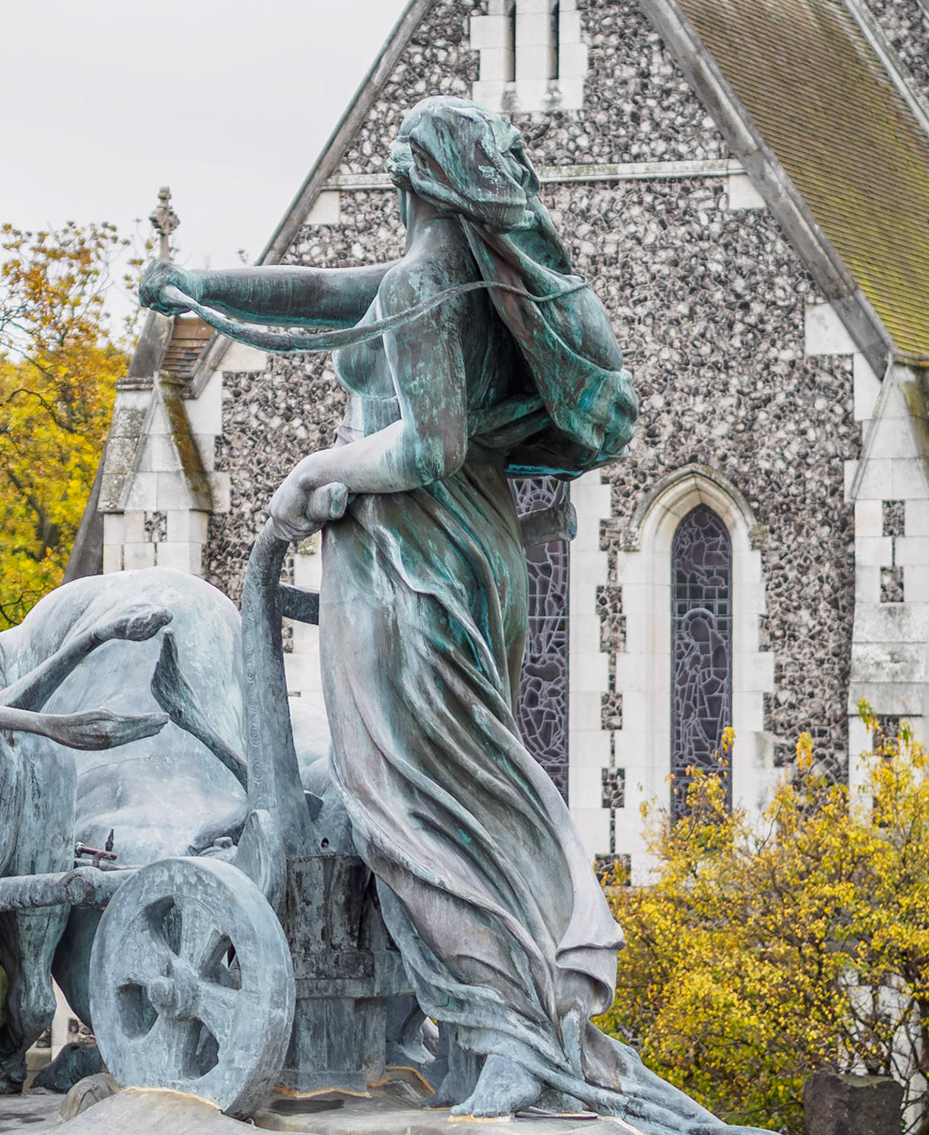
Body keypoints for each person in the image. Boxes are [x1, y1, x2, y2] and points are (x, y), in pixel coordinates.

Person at [140, 97, 747, 1135]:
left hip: (413, 571)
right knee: (462, 800)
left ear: (412, 176)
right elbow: (319, 296)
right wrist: (199, 286)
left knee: (423, 816)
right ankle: (498, 1032)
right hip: (462, 559)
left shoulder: (428, 282)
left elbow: (425, 444)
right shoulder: (453, 278)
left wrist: (308, 475)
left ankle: (513, 1040)